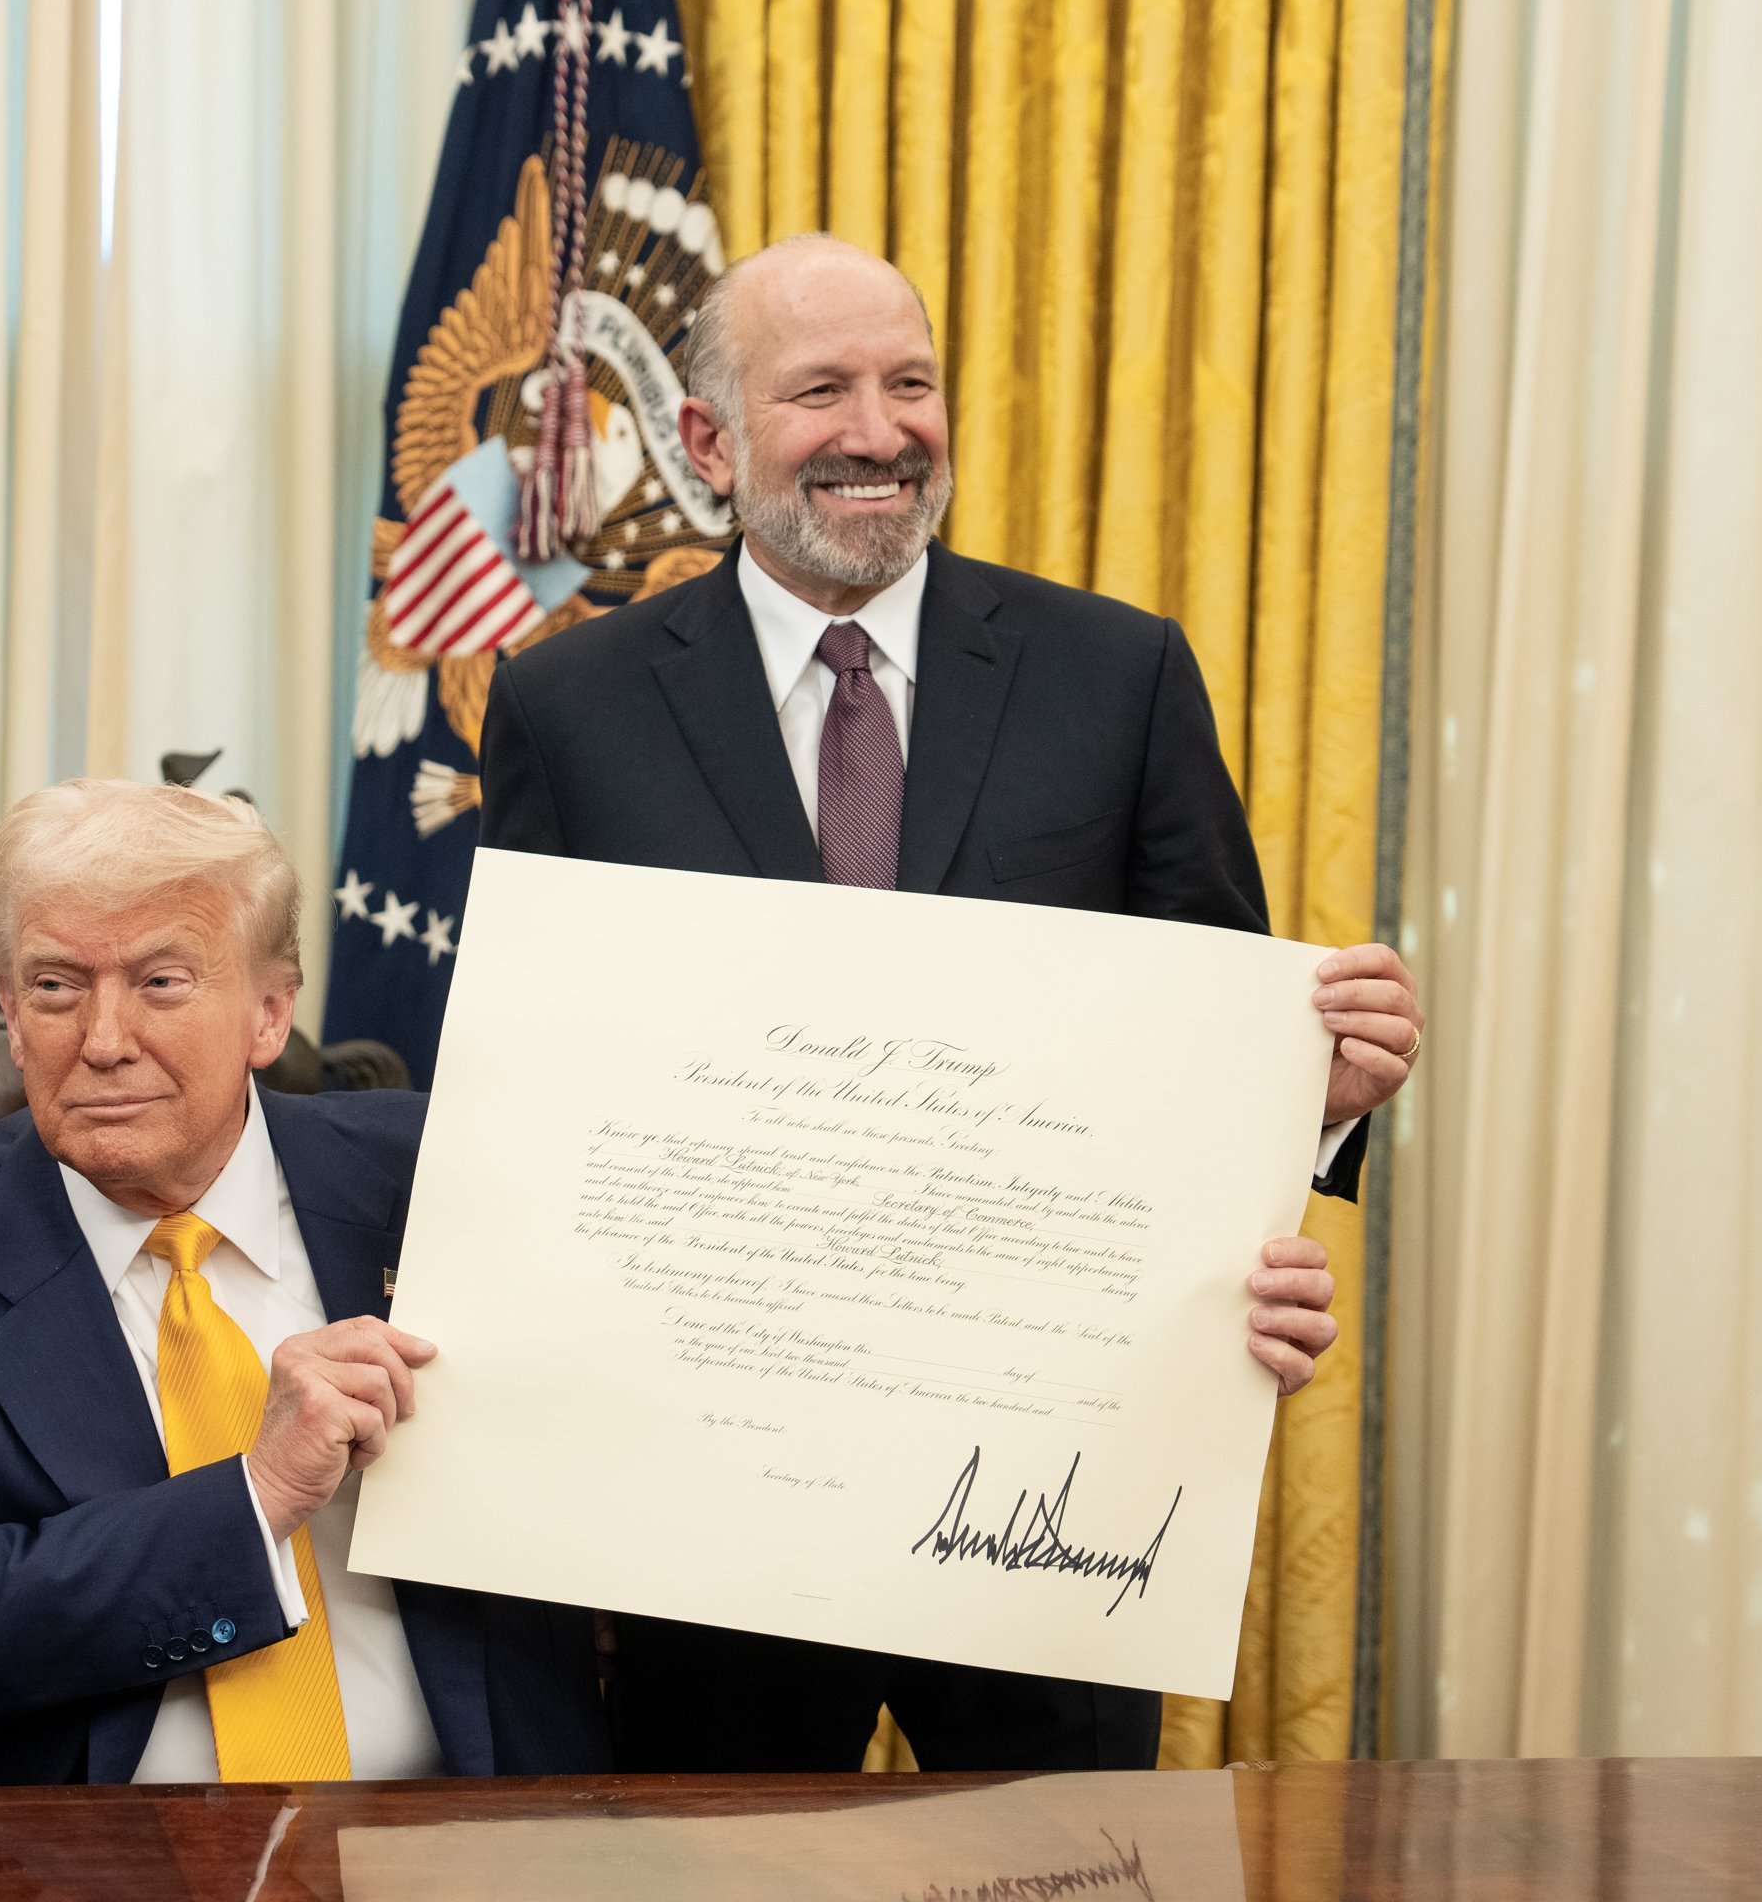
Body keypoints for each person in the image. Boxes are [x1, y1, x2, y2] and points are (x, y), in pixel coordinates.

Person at [478, 232, 1421, 1772]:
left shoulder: (1119, 677)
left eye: (910, 383)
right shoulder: (568, 711)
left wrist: (1308, 1108)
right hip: (709, 1517)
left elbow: (1217, 1049)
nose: (878, 430)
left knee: (1077, 1876)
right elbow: (521, 1095)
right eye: (824, 389)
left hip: (1045, 1503)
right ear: (709, 439)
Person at [0, 780, 609, 1786]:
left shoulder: (446, 1182)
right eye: (53, 985)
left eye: (162, 981)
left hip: (477, 1836)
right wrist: (251, 1499)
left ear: (269, 1012)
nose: (104, 1038)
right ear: (8, 1013)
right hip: (102, 1861)